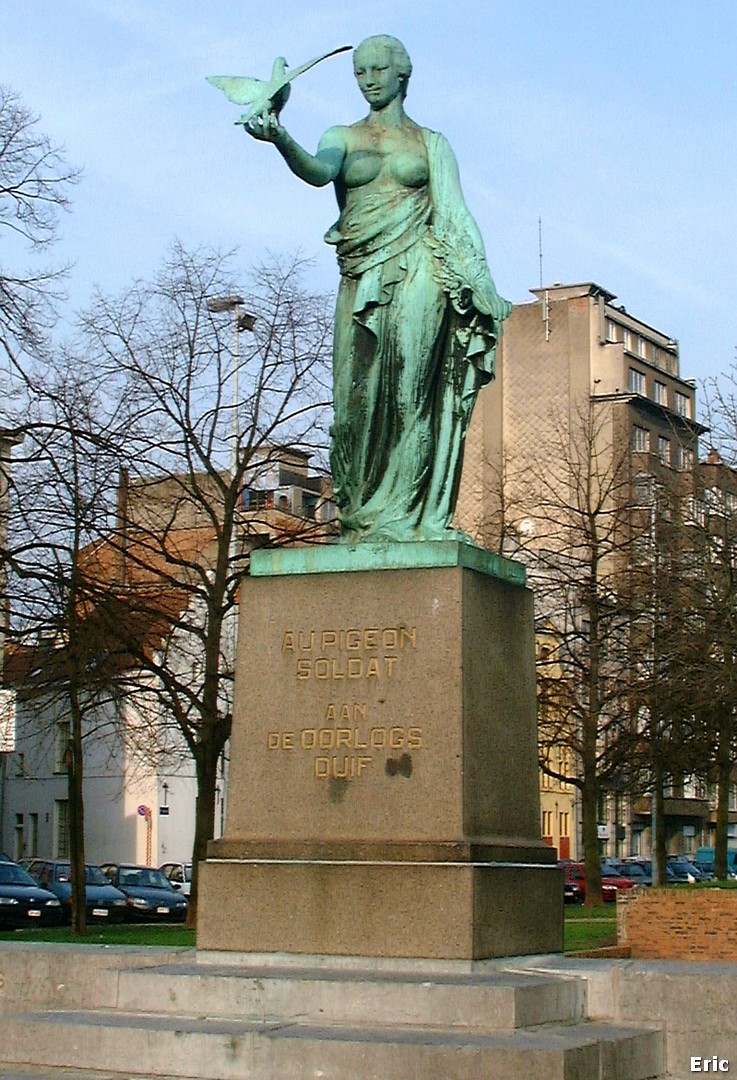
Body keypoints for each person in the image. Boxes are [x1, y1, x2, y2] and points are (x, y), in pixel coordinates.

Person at [245, 34, 510, 542]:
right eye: (360, 72)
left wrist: (482, 282)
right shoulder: (341, 136)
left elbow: (455, 215)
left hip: (421, 270)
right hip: (362, 274)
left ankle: (411, 518)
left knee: (412, 393)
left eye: (377, 70)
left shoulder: (431, 144)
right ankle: (363, 516)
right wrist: (279, 136)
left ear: (402, 75)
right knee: (356, 400)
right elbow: (319, 171)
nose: (368, 79)